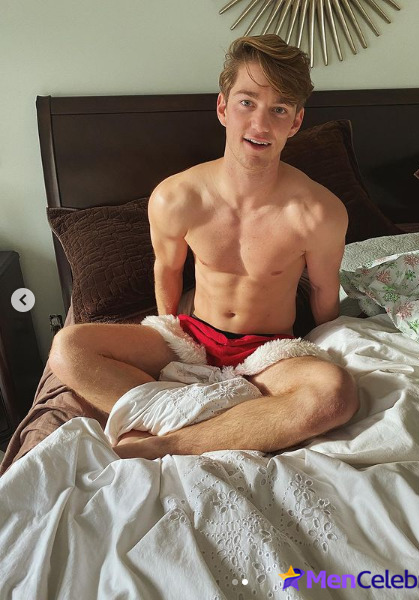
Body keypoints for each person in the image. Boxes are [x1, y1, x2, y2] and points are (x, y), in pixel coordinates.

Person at [49, 34, 358, 460]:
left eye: (279, 109)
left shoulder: (320, 212)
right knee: (68, 348)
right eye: (247, 102)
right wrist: (169, 336)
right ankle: (232, 418)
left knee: (336, 395)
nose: (260, 124)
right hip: (191, 339)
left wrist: (333, 353)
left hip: (268, 354)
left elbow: (324, 292)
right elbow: (167, 270)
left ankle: (167, 441)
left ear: (295, 122)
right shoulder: (176, 197)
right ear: (223, 108)